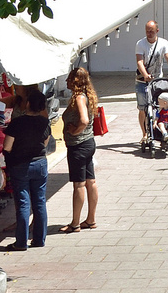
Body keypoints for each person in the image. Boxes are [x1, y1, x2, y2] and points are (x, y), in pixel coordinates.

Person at [2, 88, 50, 250]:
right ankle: (39, 239)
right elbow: (45, 142)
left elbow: (7, 146)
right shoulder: (44, 122)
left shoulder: (17, 123)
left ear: (28, 104)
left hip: (20, 165)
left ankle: (21, 242)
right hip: (40, 163)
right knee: (39, 201)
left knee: (23, 203)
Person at [60, 67, 99, 233]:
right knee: (91, 182)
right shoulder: (87, 96)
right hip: (89, 143)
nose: (67, 81)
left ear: (75, 81)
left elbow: (83, 120)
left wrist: (73, 131)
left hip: (79, 146)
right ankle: (90, 219)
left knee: (79, 185)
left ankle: (75, 223)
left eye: (69, 78)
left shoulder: (79, 98)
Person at [134, 20, 168, 144]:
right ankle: (145, 134)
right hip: (142, 81)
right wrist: (145, 75)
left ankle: (160, 130)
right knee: (143, 108)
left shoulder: (163, 43)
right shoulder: (140, 44)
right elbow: (139, 61)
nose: (149, 33)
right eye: (147, 31)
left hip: (158, 81)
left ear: (157, 31)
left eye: (151, 31)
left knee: (159, 105)